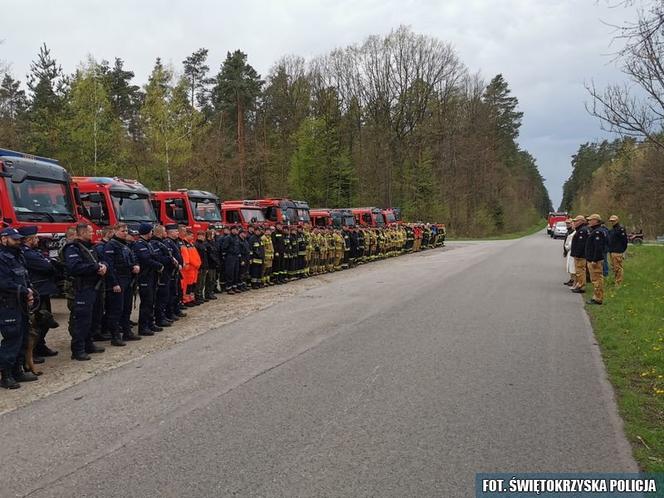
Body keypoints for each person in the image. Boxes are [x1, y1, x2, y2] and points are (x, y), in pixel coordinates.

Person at [63, 223, 107, 361]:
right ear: (82, 233)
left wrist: (104, 266)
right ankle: (78, 349)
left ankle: (89, 344)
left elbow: (103, 259)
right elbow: (74, 267)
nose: (92, 233)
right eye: (89, 231)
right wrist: (95, 267)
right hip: (82, 288)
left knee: (94, 317)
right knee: (82, 320)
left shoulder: (91, 247)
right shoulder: (72, 248)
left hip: (95, 286)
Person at [0, 227, 38, 388]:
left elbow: (24, 276)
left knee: (22, 337)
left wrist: (30, 292)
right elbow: (4, 282)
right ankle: (6, 375)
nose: (18, 241)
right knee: (12, 338)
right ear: (3, 239)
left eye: (19, 239)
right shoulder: (1, 258)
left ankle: (18, 370)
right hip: (7, 304)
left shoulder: (18, 255)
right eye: (14, 239)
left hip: (21, 303)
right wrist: (24, 291)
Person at [19, 225, 60, 359]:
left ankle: (40, 345)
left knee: (46, 320)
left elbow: (51, 264)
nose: (37, 239)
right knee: (37, 322)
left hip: (43, 290)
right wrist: (50, 264)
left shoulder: (35, 251)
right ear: (29, 239)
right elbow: (47, 266)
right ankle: (33, 350)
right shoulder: (27, 253)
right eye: (35, 237)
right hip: (37, 290)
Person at [132, 223, 164, 335]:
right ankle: (143, 327)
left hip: (152, 275)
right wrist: (159, 265)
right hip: (145, 276)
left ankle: (150, 323)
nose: (152, 233)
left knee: (151, 301)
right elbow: (146, 259)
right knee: (146, 302)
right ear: (147, 232)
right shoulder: (140, 244)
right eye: (151, 231)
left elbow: (153, 256)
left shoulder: (147, 243)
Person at [585, 214, 607, 305]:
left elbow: (598, 248)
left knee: (597, 279)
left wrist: (594, 260)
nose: (589, 221)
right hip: (592, 259)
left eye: (590, 220)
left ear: (595, 221)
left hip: (595, 261)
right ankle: (596, 296)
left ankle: (598, 298)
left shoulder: (598, 232)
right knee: (595, 280)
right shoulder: (595, 231)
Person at [570, 215, 589, 294]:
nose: (575, 223)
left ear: (581, 221)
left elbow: (581, 244)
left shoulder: (582, 231)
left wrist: (577, 254)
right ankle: (579, 284)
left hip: (580, 255)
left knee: (580, 271)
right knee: (579, 271)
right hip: (579, 255)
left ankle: (581, 286)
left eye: (576, 221)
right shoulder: (581, 230)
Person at [607, 214, 628, 286]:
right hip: (612, 250)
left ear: (617, 220)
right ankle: (616, 280)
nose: (612, 222)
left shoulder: (620, 229)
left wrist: (622, 250)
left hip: (618, 251)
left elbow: (624, 240)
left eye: (613, 221)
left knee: (618, 268)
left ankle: (618, 283)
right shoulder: (611, 230)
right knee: (614, 268)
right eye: (611, 221)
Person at [562, 219, 575, 286]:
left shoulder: (573, 232)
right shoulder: (568, 231)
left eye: (569, 223)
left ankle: (573, 280)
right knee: (569, 266)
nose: (567, 224)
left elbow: (570, 243)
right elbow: (565, 241)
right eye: (566, 223)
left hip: (571, 250)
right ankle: (571, 279)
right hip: (568, 250)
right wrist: (564, 251)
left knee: (572, 266)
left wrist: (566, 248)